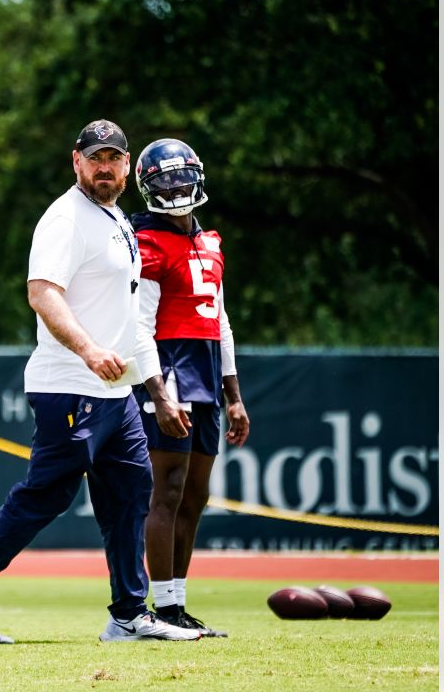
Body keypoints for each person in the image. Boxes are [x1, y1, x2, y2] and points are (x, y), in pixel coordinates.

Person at [0, 120, 200, 644]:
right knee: (45, 496)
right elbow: (42, 293)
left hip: (115, 395)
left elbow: (129, 317)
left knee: (130, 493)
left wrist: (157, 392)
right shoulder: (65, 218)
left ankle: (128, 614)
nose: (104, 167)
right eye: (95, 157)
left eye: (113, 158)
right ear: (76, 160)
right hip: (71, 385)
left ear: (126, 166)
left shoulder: (115, 218)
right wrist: (89, 349)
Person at [131, 138, 251, 638]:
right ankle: (159, 609)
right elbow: (139, 324)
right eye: (165, 181)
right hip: (170, 369)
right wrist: (158, 393)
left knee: (196, 494)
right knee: (168, 490)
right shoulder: (147, 241)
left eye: (182, 177)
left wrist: (235, 394)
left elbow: (219, 321)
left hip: (205, 369)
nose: (177, 187)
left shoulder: (211, 240)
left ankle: (177, 605)